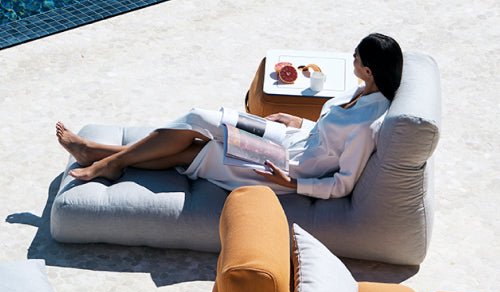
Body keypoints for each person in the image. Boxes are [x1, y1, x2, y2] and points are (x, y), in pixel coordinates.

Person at [56, 33, 403, 200]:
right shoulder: (359, 91)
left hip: (284, 164)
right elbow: (328, 135)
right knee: (199, 119)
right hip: (285, 138)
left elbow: (342, 183)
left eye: (356, 57)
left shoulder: (368, 125)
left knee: (198, 151)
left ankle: (102, 158)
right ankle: (101, 157)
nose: (352, 58)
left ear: (369, 71)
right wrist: (300, 122)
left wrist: (292, 184)